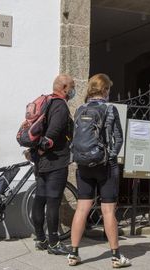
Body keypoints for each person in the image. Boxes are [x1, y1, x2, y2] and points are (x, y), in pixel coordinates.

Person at [67, 74, 131, 268]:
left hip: (84, 165)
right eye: (108, 89)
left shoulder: (80, 109)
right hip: (105, 166)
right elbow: (118, 138)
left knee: (82, 208)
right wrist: (108, 156)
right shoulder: (110, 109)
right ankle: (116, 256)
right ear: (104, 90)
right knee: (108, 210)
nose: (109, 92)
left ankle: (73, 253)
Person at [31, 74, 75, 255]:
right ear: (64, 88)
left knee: (40, 198)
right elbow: (52, 135)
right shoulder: (60, 106)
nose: (73, 90)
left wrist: (35, 154)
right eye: (72, 86)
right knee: (53, 201)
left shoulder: (47, 103)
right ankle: (54, 243)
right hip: (55, 161)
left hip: (42, 163)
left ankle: (41, 239)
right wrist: (41, 150)